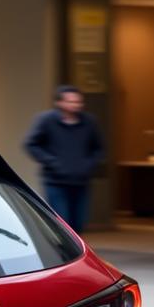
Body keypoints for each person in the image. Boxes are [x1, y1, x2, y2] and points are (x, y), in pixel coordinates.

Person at [23, 85, 105, 233]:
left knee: (78, 223)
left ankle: (75, 254)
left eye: (79, 102)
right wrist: (52, 162)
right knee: (62, 223)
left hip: (81, 181)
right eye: (71, 102)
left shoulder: (89, 122)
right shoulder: (46, 120)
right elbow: (31, 144)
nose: (76, 105)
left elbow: (98, 148)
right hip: (55, 181)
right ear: (59, 103)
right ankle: (63, 253)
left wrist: (88, 165)